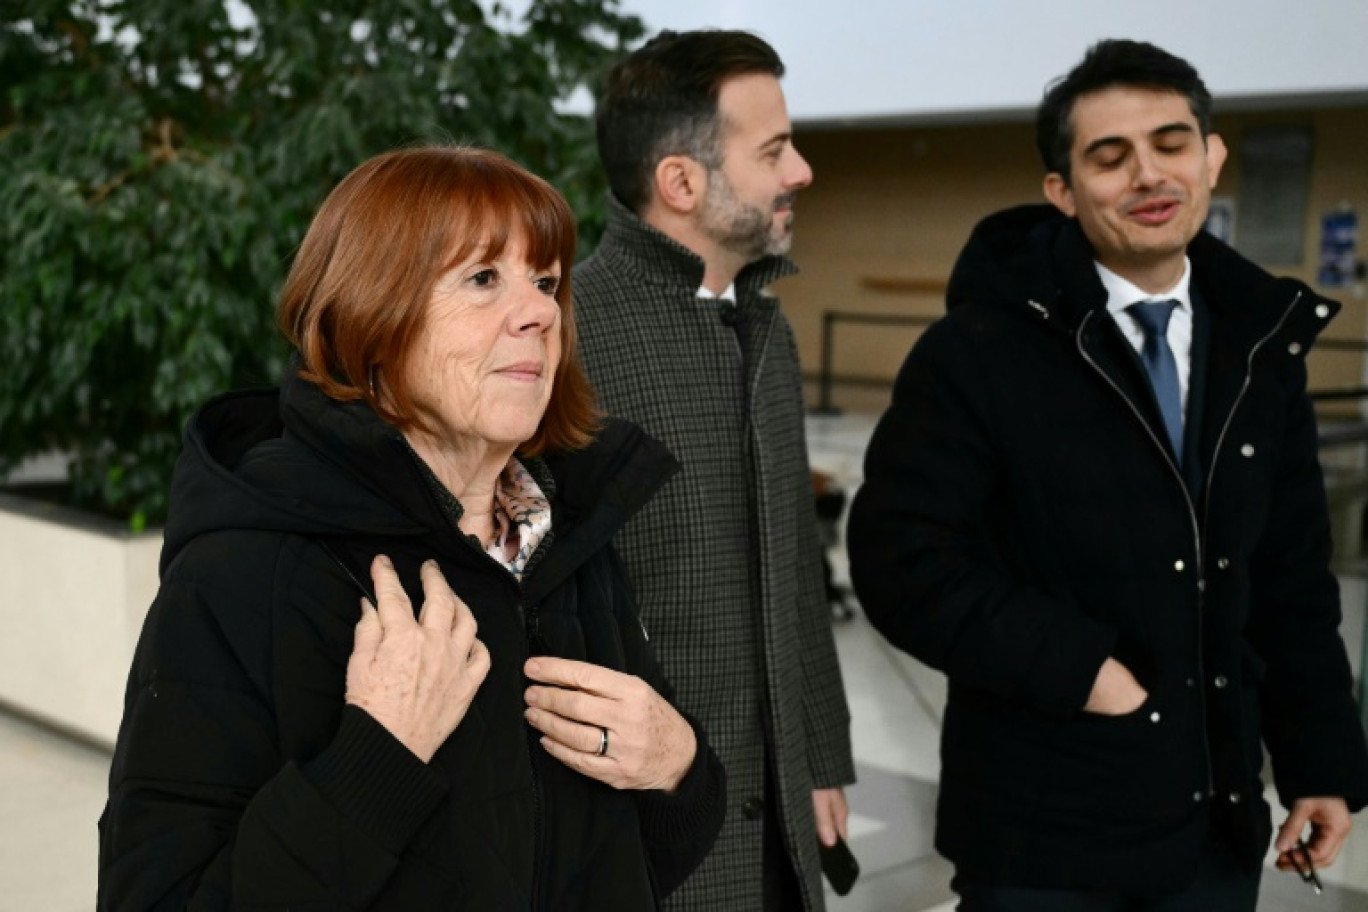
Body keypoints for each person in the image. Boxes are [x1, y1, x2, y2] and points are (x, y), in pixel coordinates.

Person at [97, 146, 726, 910]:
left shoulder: (568, 545)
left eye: (547, 282)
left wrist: (678, 766)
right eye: (484, 278)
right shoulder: (245, 572)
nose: (540, 313)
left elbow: (640, 864)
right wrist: (377, 758)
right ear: (374, 313)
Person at [849, 38, 1368, 910]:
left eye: (1171, 143)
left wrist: (1321, 759)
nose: (1149, 175)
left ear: (1211, 157)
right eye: (1110, 156)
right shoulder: (977, 352)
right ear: (1062, 190)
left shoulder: (1260, 350)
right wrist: (1087, 671)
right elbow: (901, 561)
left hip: (1214, 829)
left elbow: (1292, 578)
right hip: (1041, 840)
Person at [574, 29, 854, 912]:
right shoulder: (561, 333)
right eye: (773, 150)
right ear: (682, 182)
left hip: (779, 830)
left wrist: (820, 755)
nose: (801, 170)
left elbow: (796, 570)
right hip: (641, 844)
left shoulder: (768, 328)